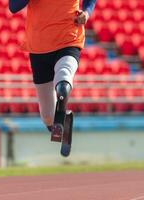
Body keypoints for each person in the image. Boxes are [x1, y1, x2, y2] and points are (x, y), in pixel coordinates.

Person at [8, 0, 97, 157]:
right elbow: (13, 7)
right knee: (48, 117)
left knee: (63, 78)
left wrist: (87, 12)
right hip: (39, 47)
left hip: (68, 39)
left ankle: (61, 113)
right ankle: (62, 122)